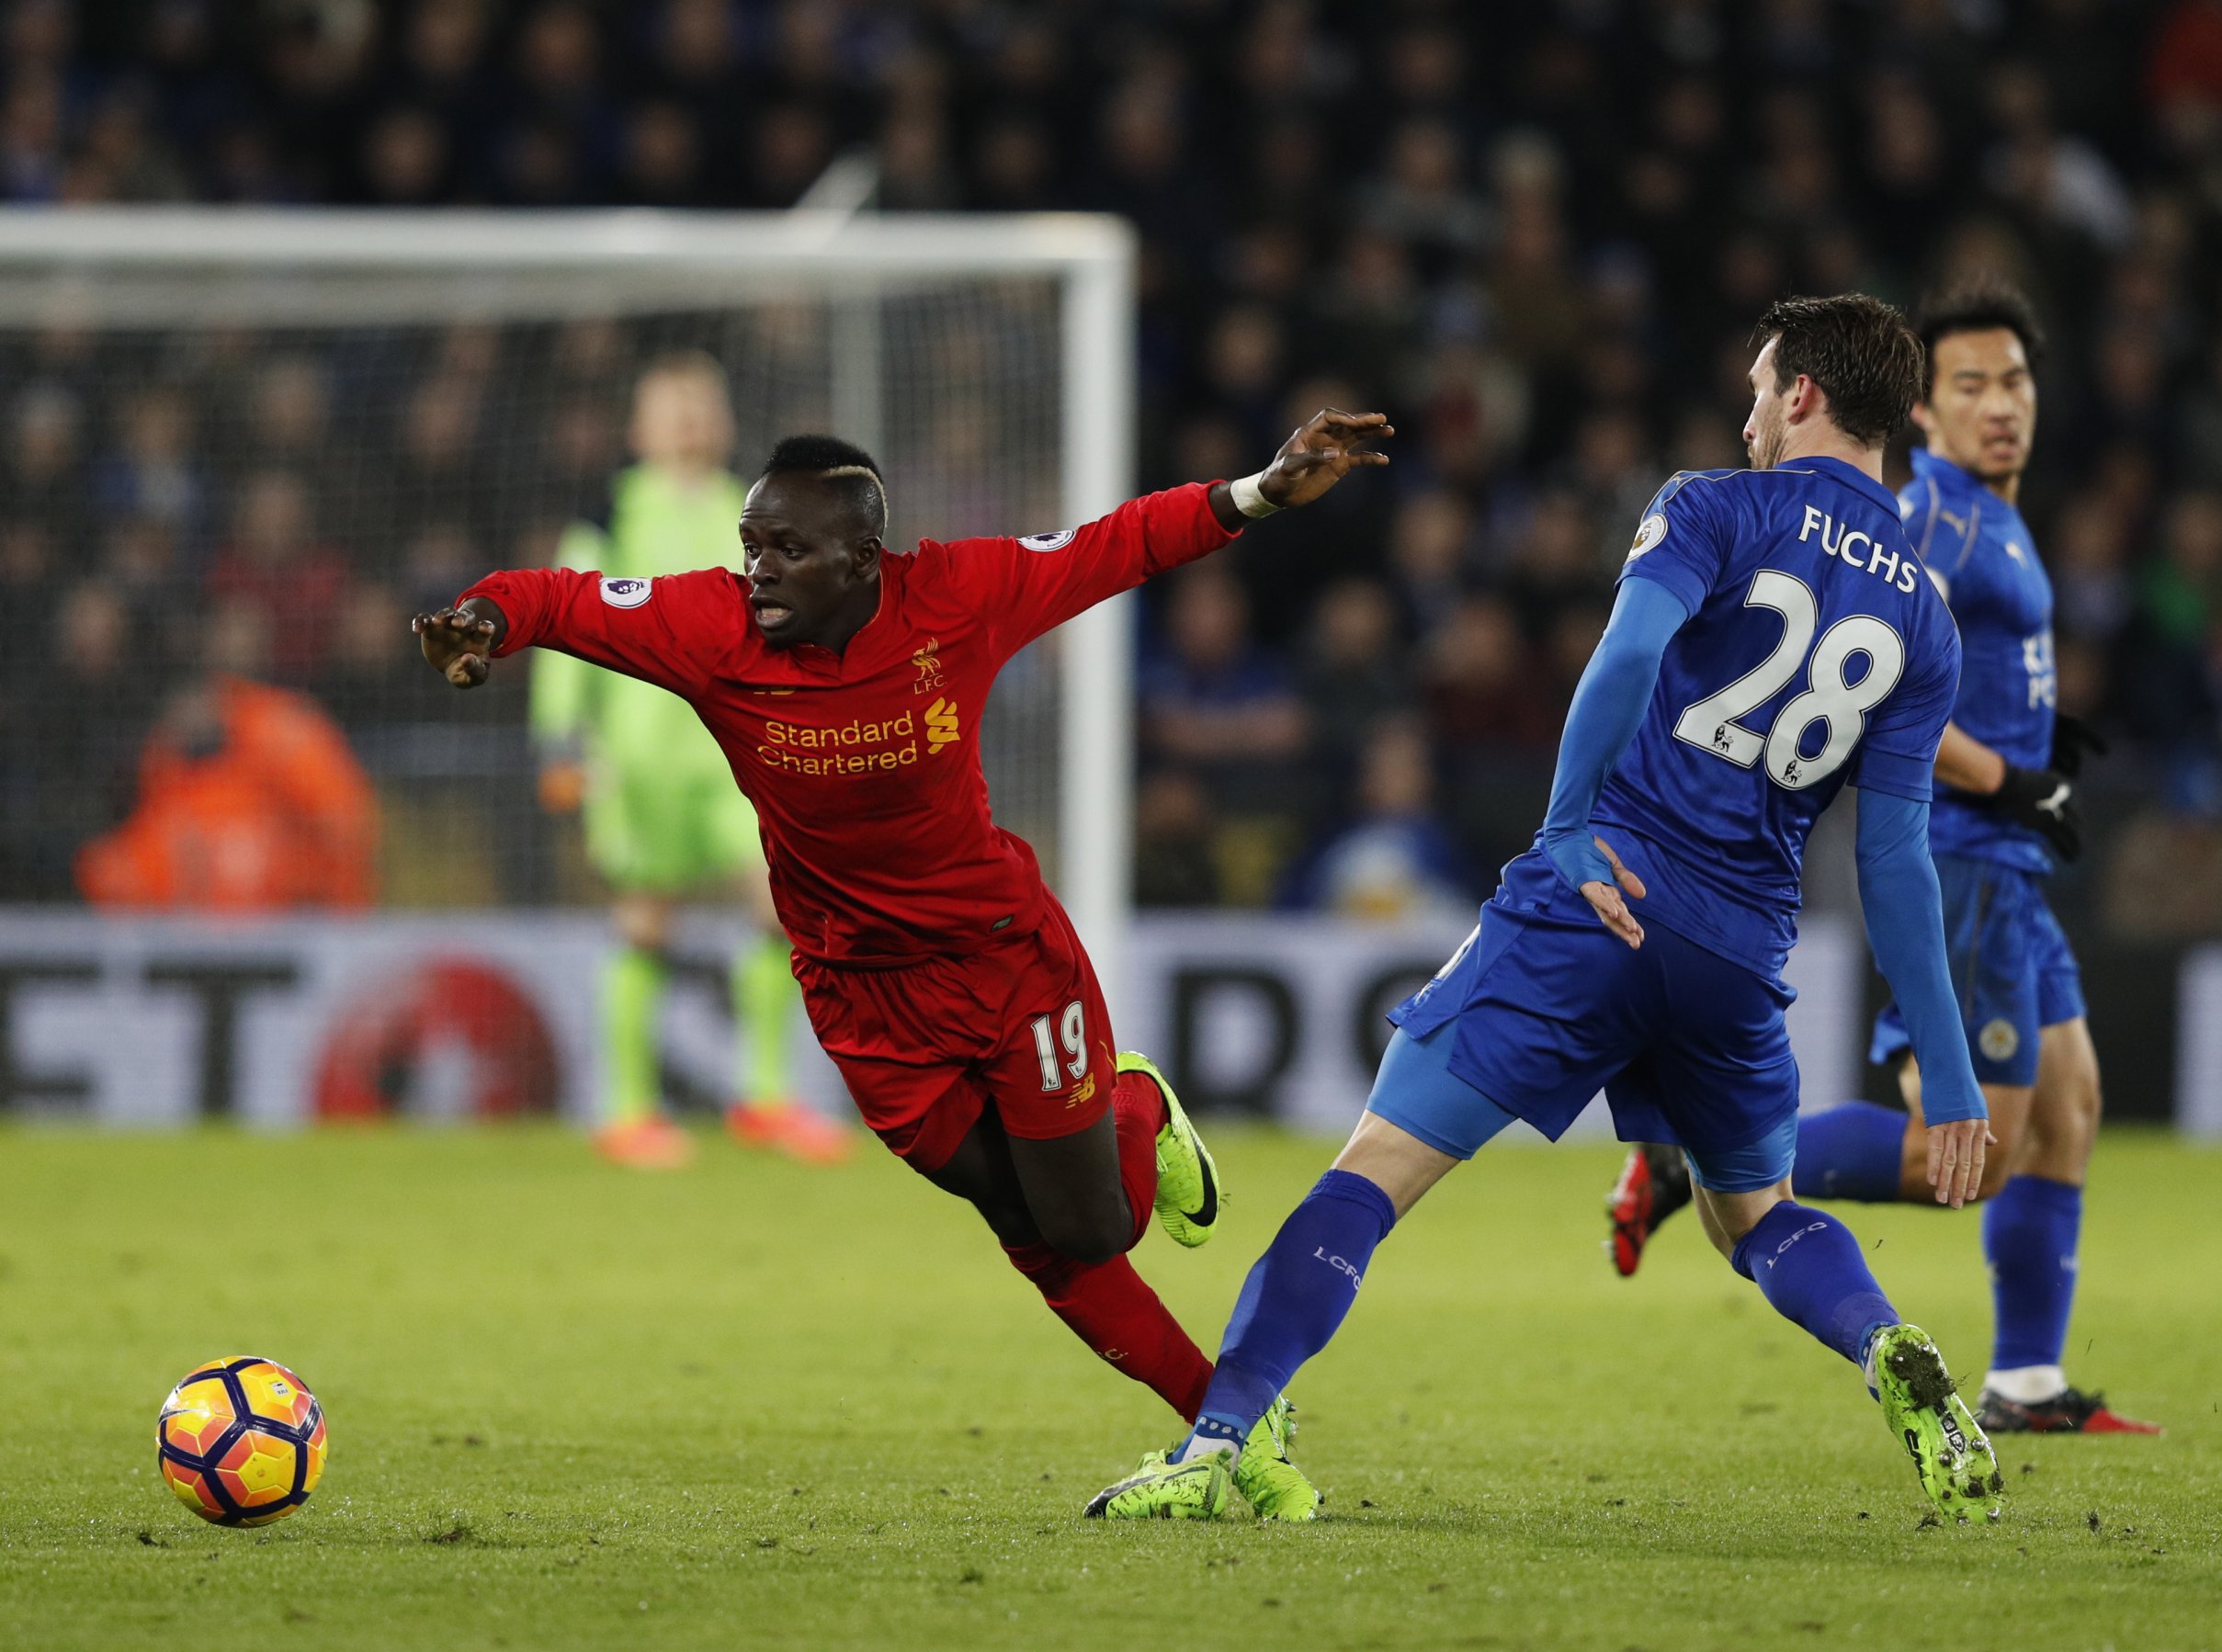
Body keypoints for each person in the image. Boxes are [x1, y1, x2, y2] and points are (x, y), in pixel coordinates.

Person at [1089, 296, 2005, 1527]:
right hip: (1739, 949)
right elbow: (1896, 857)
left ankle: (1216, 1436)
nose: (1745, 415)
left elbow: (1625, 659)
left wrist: (1569, 822)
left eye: (1758, 387)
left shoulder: (1713, 505)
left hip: (1603, 897)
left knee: (1374, 1169)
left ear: (1805, 398)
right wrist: (1947, 1078)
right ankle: (1888, 1344)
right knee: (1758, 1217)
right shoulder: (1926, 620)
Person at [414, 410, 1392, 1433]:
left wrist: (1262, 491)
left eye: (788, 549)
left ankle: (1135, 1102)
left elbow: (1118, 544)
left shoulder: (956, 595)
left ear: (862, 556)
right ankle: (1228, 1424)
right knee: (1026, 1225)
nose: (758, 571)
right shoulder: (711, 629)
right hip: (860, 997)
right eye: (751, 545)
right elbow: (558, 598)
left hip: (1002, 959)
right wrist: (482, 621)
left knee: (1099, 1225)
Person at [1606, 287, 2160, 1436]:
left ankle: (2027, 1382)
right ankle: (1695, 1163)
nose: (1999, 406)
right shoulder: (1935, 526)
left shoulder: (1994, 517)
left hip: (2007, 860)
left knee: (2074, 1105)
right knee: (1975, 1150)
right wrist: (2006, 779)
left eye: (2014, 381)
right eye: (1969, 386)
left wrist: (2023, 758)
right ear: (1919, 407)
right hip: (1962, 861)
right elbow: (1885, 690)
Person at [528, 353, 849, 1170]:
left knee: (778, 903)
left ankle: (766, 1099)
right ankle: (628, 1111)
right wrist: (562, 735)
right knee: (646, 915)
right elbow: (564, 618)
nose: (687, 422)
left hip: (736, 749)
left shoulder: (753, 512)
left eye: (700, 407)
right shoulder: (608, 512)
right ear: (638, 428)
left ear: (726, 421)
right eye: (670, 409)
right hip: (636, 753)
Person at [79, 600, 378, 912]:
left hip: (308, 925)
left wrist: (306, 883)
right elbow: (135, 859)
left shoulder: (279, 729)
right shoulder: (167, 763)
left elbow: (345, 824)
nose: (182, 719)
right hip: (200, 938)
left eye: (191, 700)